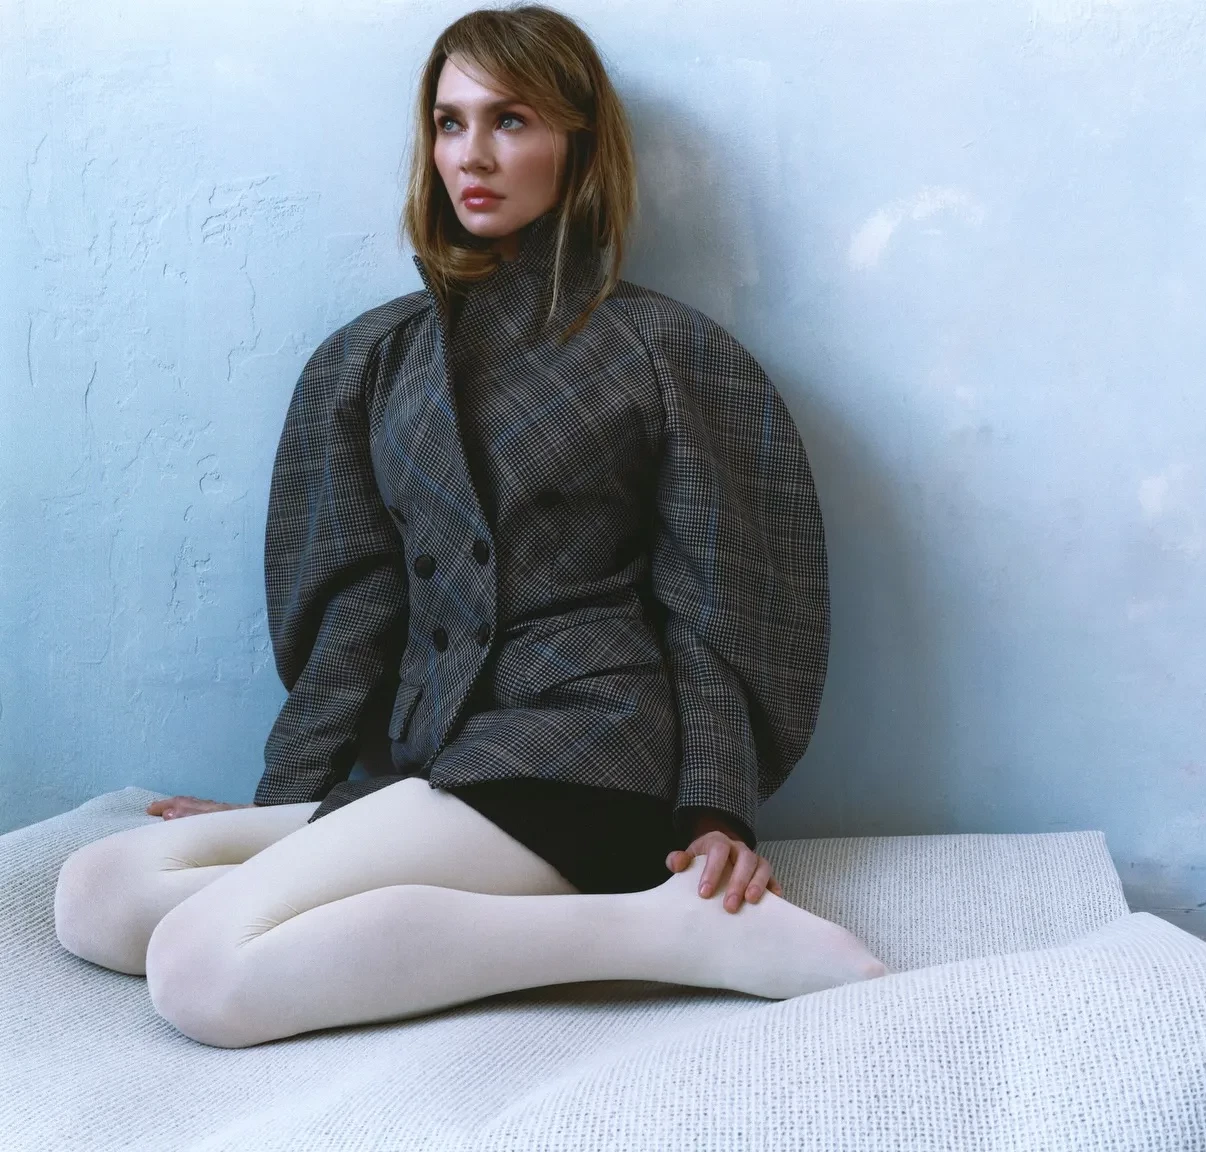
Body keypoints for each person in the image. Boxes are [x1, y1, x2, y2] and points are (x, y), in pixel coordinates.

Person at [51, 4, 886, 1049]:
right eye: (450, 123)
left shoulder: (666, 350)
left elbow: (720, 602)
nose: (472, 156)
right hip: (436, 763)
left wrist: (714, 815)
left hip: (591, 755)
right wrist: (293, 806)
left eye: (511, 121)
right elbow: (354, 612)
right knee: (99, 894)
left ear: (578, 144)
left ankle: (668, 931)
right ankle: (585, 913)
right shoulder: (367, 361)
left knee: (200, 969)